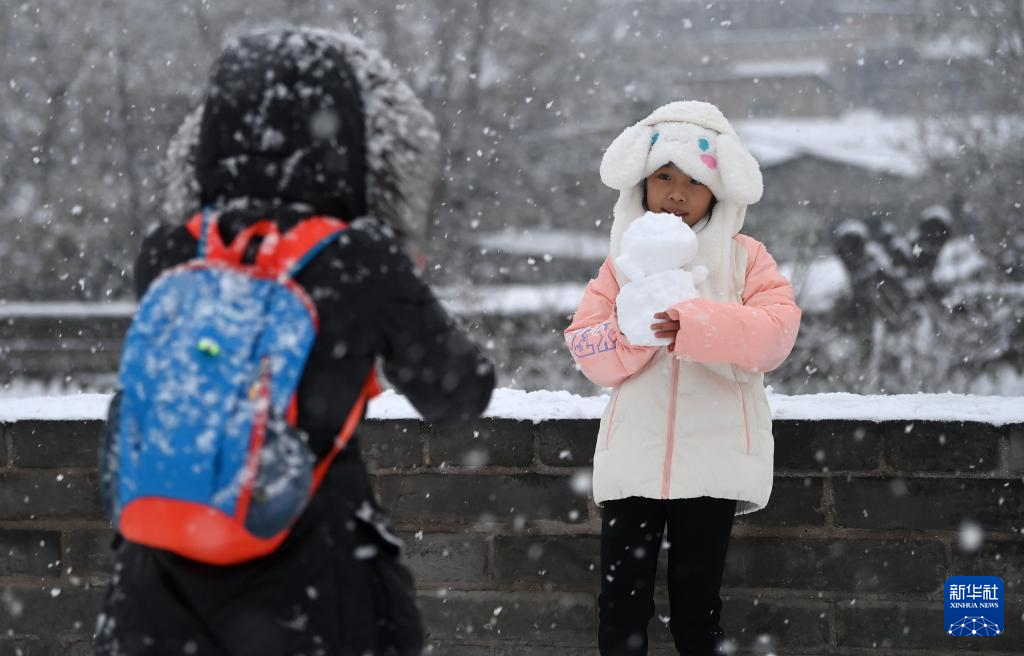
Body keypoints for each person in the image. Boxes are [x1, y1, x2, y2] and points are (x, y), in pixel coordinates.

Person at [95, 27, 495, 656]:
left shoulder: (171, 250)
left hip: (154, 584)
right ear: (350, 139)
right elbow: (459, 393)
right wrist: (400, 296)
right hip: (310, 583)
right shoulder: (358, 259)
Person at [565, 100, 801, 656]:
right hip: (634, 461)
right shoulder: (620, 262)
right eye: (663, 177)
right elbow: (586, 345)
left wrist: (693, 323)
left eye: (694, 181)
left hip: (714, 460)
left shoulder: (747, 260)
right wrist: (634, 336)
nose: (675, 192)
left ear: (719, 191)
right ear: (640, 184)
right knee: (621, 606)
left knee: (698, 607)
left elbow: (775, 335)